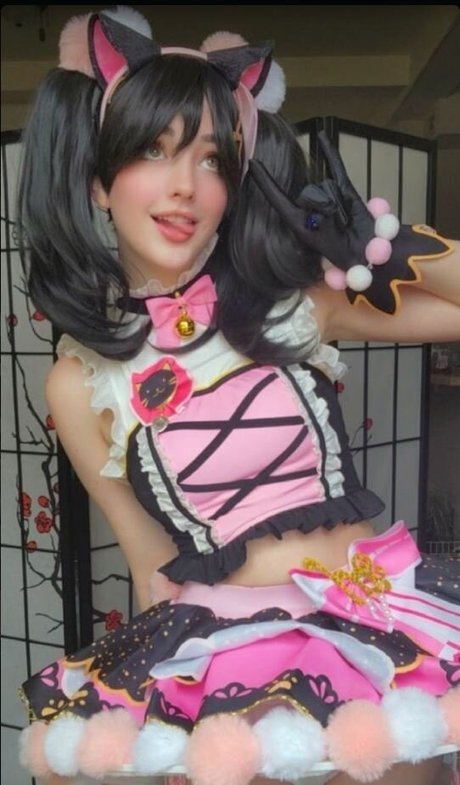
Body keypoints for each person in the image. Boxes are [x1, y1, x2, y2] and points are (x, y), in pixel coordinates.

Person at [16, 7, 459, 785]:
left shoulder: (294, 305)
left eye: (213, 159)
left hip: (375, 623)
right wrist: (162, 710)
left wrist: (380, 247)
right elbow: (153, 563)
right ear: (97, 180)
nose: (184, 187)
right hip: (232, 656)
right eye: (154, 150)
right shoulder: (81, 381)